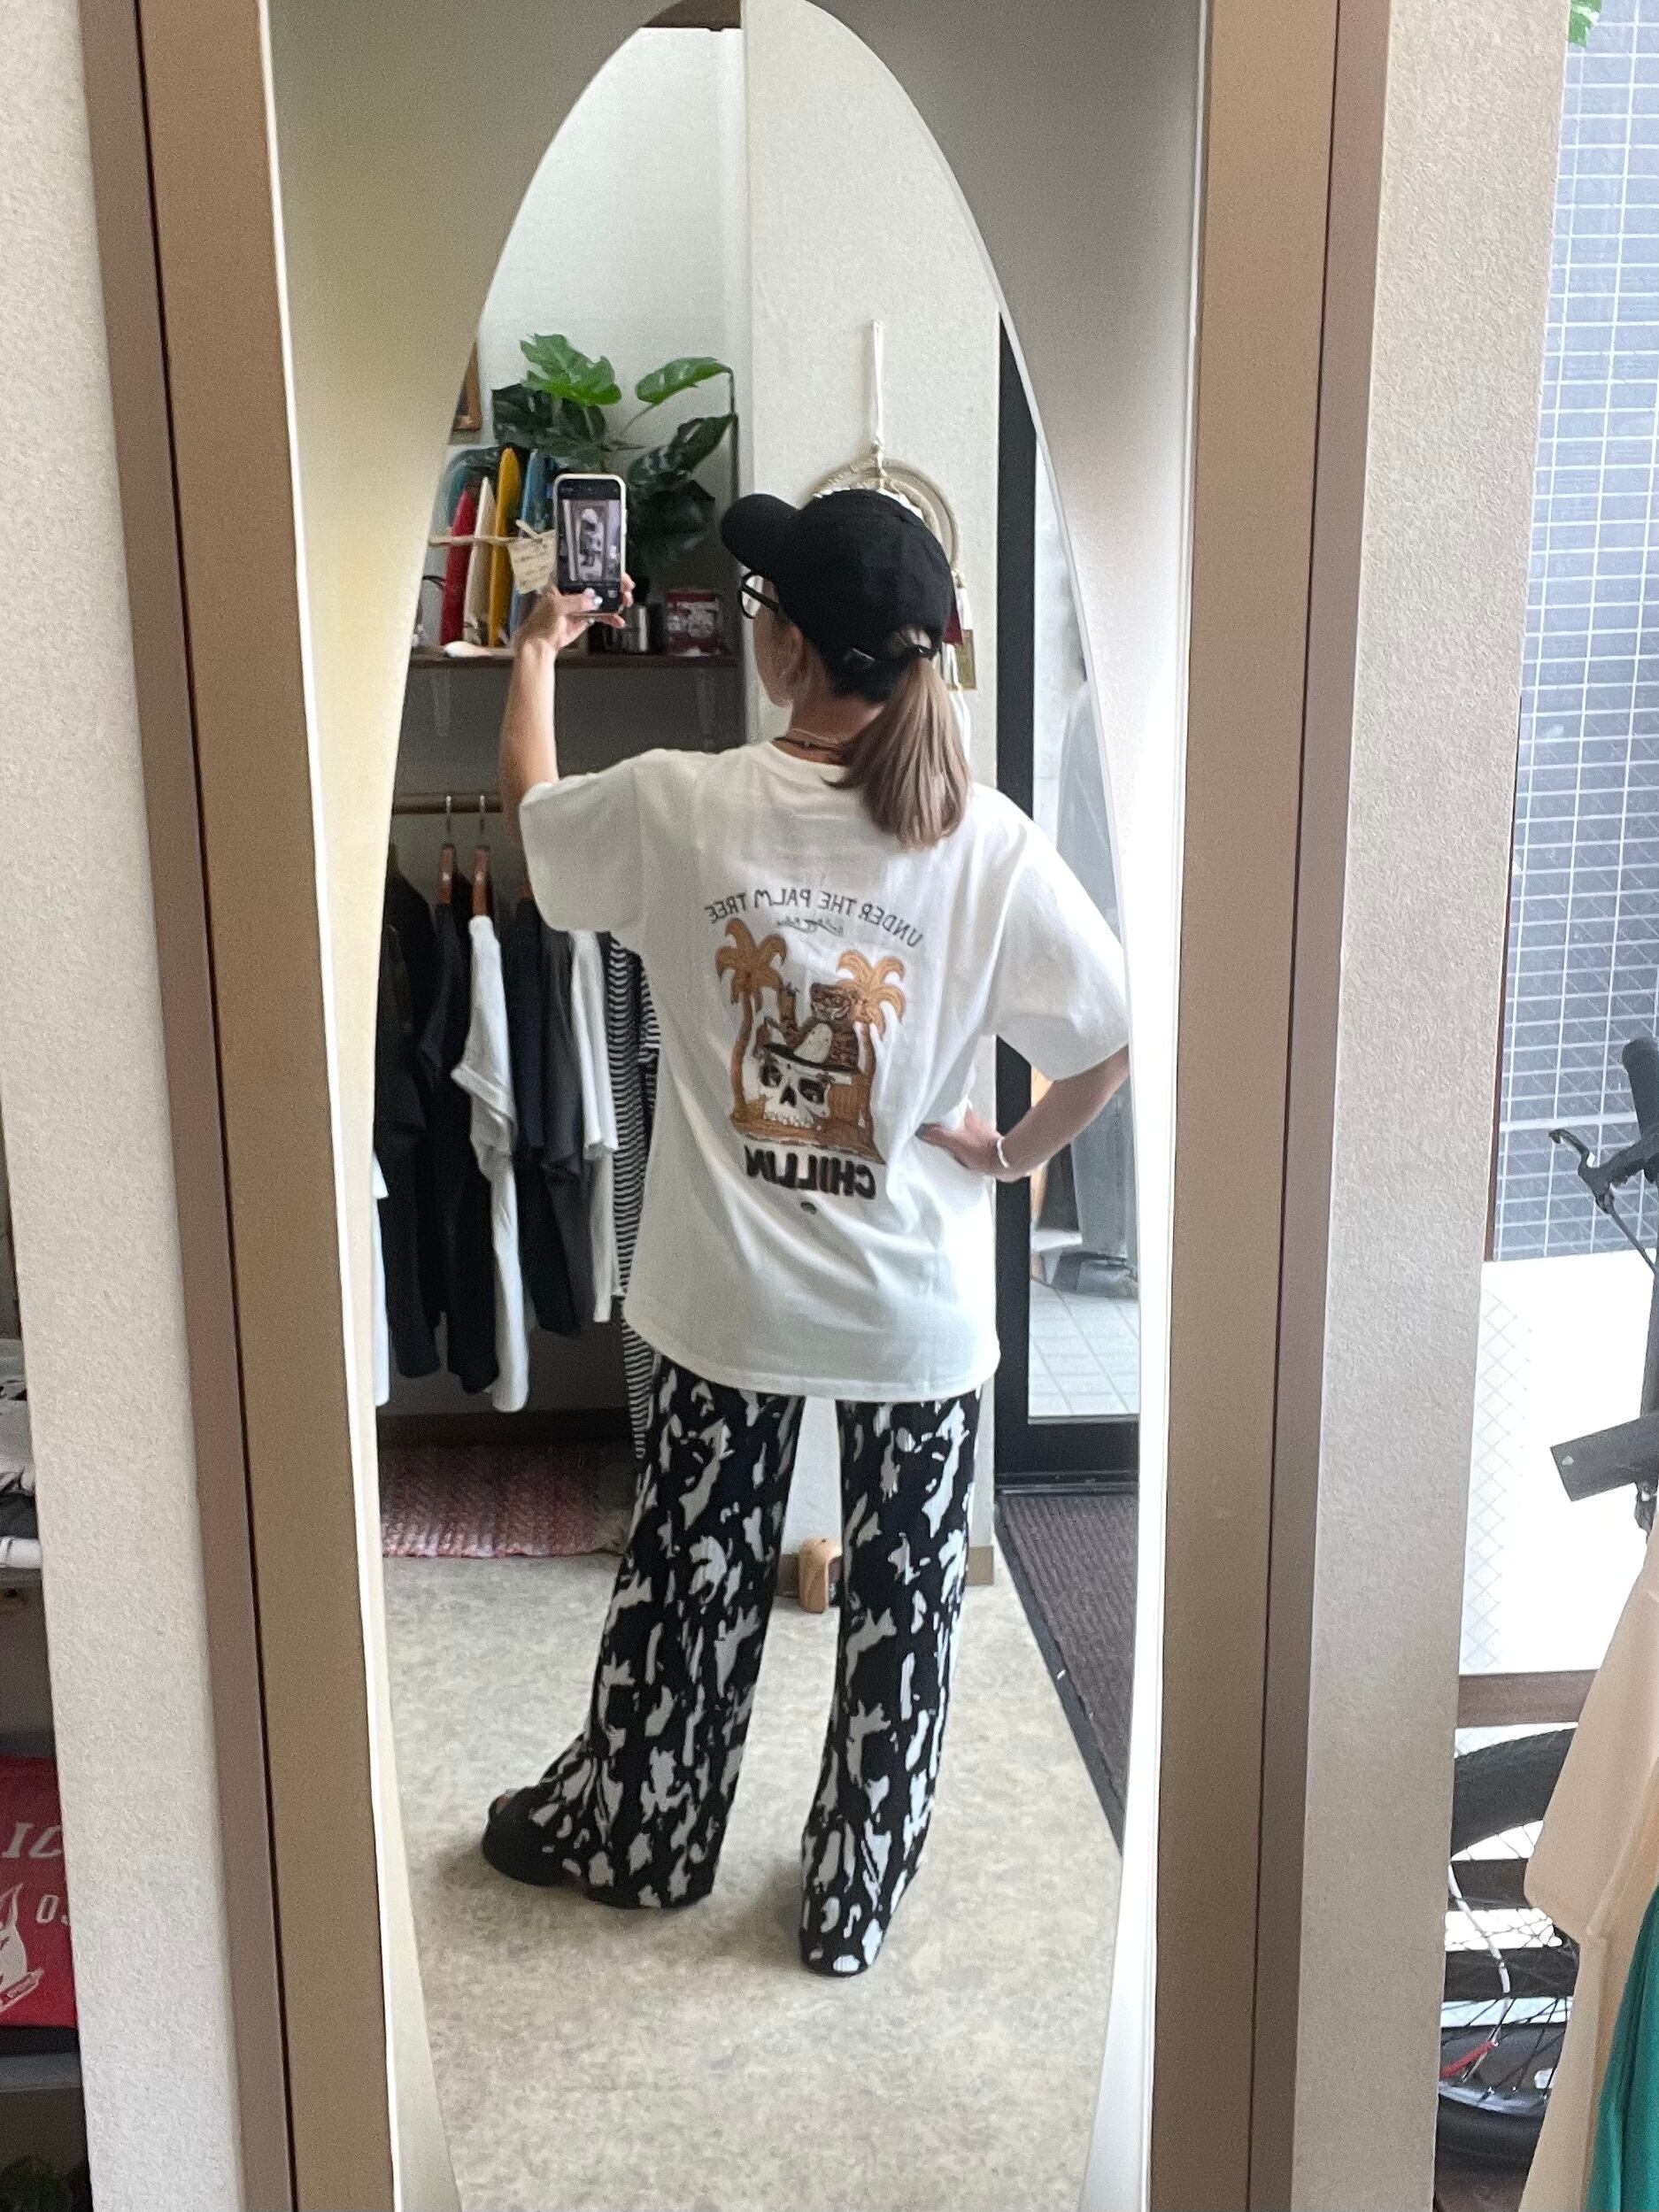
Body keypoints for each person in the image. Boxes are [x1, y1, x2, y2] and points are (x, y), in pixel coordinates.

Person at [483, 487, 1129, 1977]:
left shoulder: (681, 803)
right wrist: (1012, 1153)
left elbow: (532, 828)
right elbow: (1104, 1038)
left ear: (782, 648)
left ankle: (644, 1842)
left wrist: (535, 655)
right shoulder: (987, 842)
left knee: (689, 1584)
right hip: (917, 1312)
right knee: (905, 1610)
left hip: (726, 1304)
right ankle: (852, 1898)